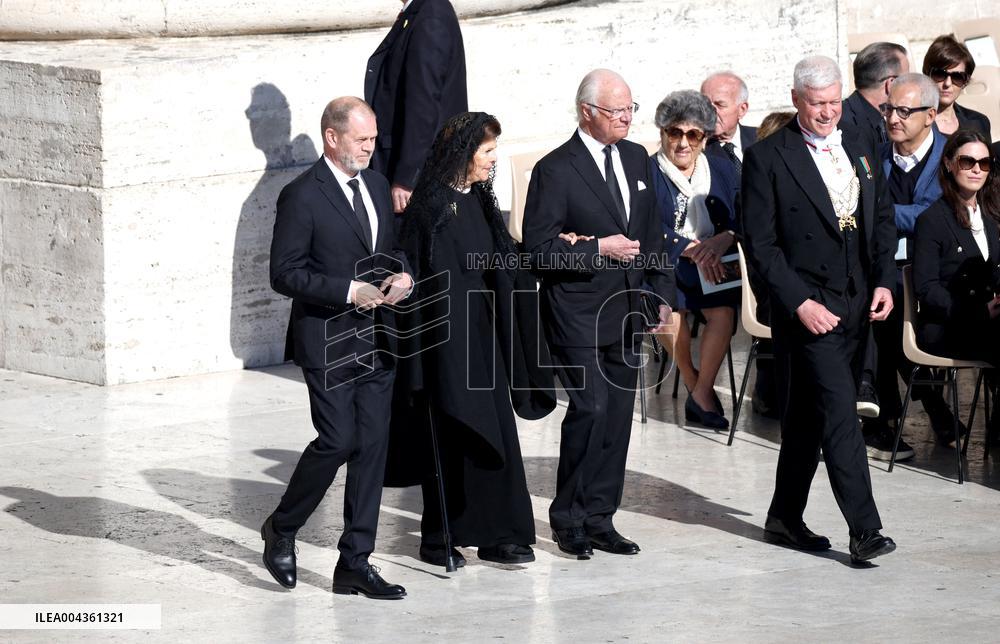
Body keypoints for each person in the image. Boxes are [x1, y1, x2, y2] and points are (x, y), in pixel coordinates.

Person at [742, 55, 898, 564]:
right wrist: (800, 303)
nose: (829, 112)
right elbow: (761, 245)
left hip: (858, 304)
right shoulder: (767, 158)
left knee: (808, 419)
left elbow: (882, 218)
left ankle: (784, 517)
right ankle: (865, 530)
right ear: (796, 100)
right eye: (817, 104)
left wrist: (885, 280)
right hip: (810, 309)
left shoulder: (861, 143)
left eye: (834, 102)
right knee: (840, 413)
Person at [388, 112, 556, 567]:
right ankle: (440, 537)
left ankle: (500, 534)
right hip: (446, 344)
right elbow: (421, 279)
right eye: (487, 151)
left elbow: (498, 260)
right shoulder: (430, 207)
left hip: (484, 339)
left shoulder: (479, 199)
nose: (493, 159)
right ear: (464, 153)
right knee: (454, 435)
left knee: (495, 434)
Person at [261, 97, 412, 599]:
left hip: (378, 338)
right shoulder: (302, 195)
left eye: (373, 139)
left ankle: (355, 563)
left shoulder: (376, 184)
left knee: (371, 450)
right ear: (332, 137)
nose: (370, 147)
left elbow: (392, 248)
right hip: (328, 339)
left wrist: (403, 274)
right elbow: (284, 273)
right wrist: (348, 291)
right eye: (361, 139)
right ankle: (282, 527)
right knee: (338, 440)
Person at [522, 69, 676, 559]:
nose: (627, 118)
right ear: (587, 111)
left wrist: (661, 292)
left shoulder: (636, 157)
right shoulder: (555, 169)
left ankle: (600, 518)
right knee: (590, 408)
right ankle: (568, 517)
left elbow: (653, 233)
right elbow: (538, 252)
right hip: (577, 310)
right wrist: (596, 248)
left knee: (618, 418)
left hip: (628, 310)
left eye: (631, 108)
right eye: (617, 110)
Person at [862, 73, 964, 459]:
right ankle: (929, 413)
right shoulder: (874, 156)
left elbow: (931, 217)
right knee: (883, 305)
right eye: (889, 109)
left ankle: (880, 418)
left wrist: (882, 214)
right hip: (885, 266)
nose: (893, 118)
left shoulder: (951, 160)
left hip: (935, 271)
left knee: (887, 309)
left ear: (931, 115)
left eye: (904, 111)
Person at [649, 90, 740, 430]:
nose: (683, 143)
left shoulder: (722, 167)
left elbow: (745, 214)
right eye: (675, 132)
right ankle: (693, 382)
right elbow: (642, 225)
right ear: (663, 133)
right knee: (669, 311)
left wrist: (725, 237)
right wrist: (686, 247)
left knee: (724, 312)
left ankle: (701, 391)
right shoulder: (647, 170)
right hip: (665, 260)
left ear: (704, 137)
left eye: (693, 134)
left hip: (713, 261)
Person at [364, 0, 468, 213]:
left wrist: (406, 178)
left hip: (421, 174)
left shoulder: (431, 16)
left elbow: (423, 105)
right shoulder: (421, 11)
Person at [913, 128, 1000, 367]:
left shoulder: (989, 216)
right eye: (967, 162)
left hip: (988, 323)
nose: (977, 169)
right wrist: (979, 312)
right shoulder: (932, 220)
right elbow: (926, 289)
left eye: (984, 163)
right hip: (949, 326)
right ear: (949, 164)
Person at [841, 42, 909, 147]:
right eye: (906, 80)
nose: (909, 86)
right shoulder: (844, 127)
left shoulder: (882, 119)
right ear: (891, 84)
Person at [922, 35, 992, 138]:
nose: (947, 83)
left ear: (965, 81)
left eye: (957, 77)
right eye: (940, 74)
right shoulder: (913, 122)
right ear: (927, 74)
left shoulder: (979, 123)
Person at [701, 72, 757, 176]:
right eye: (705, 104)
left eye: (720, 105)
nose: (710, 111)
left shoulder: (762, 138)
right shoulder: (696, 150)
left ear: (742, 109)